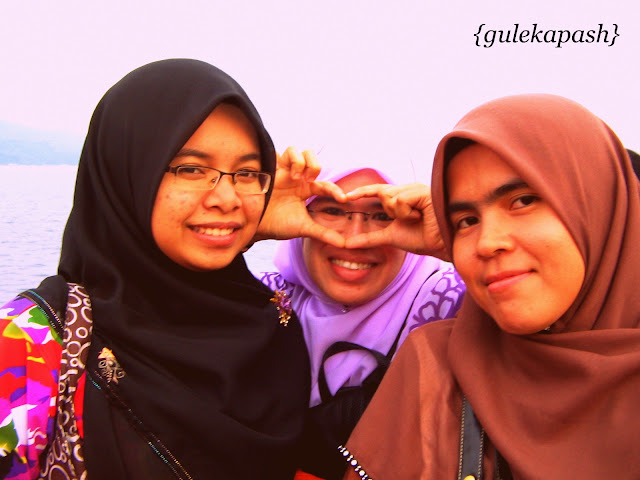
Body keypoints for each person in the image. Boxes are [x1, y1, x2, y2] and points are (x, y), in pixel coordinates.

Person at [0, 59, 342, 480]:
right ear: (127, 175)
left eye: (247, 173)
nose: (227, 198)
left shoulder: (270, 321)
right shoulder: (30, 343)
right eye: (191, 169)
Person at [342, 94, 640, 479]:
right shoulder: (437, 367)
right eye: (466, 221)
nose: (486, 243)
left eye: (523, 200)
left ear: (598, 207)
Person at [260, 165, 465, 479]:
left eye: (382, 215)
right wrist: (251, 226)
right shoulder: (263, 298)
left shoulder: (453, 303)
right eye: (332, 211)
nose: (354, 239)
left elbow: (541, 331)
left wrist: (454, 245)